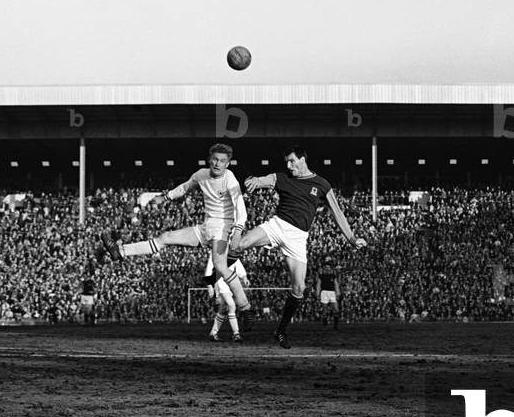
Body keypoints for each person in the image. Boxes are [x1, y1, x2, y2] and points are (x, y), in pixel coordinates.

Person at [98, 143, 254, 325]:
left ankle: (245, 308)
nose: (217, 164)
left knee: (220, 265)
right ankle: (121, 251)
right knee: (166, 238)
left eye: (222, 161)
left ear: (227, 164)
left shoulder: (230, 179)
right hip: (206, 227)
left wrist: (237, 231)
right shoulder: (201, 175)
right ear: (209, 159)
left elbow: (240, 209)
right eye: (215, 159)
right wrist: (164, 197)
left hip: (223, 227)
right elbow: (185, 187)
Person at [236, 146, 366, 348]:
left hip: (298, 238)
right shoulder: (281, 177)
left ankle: (280, 330)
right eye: (286, 162)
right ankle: (243, 306)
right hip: (277, 226)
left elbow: (337, 213)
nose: (288, 165)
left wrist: (352, 238)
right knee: (240, 244)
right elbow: (263, 180)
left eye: (292, 161)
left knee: (299, 287)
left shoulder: (322, 184)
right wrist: (253, 180)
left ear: (303, 160)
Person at [205, 251, 246, 342]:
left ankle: (213, 333)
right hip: (220, 282)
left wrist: (244, 276)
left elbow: (237, 264)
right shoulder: (215, 251)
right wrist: (209, 286)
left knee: (223, 309)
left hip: (230, 282)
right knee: (231, 305)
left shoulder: (231, 251)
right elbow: (209, 268)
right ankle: (236, 333)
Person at [315, 259, 341, 329]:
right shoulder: (321, 275)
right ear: (324, 268)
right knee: (324, 310)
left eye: (328, 267)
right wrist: (317, 294)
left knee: (336, 310)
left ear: (330, 268)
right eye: (326, 267)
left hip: (332, 293)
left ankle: (335, 326)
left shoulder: (333, 275)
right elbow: (318, 284)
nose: (327, 269)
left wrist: (338, 293)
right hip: (324, 292)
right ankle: (325, 324)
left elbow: (336, 284)